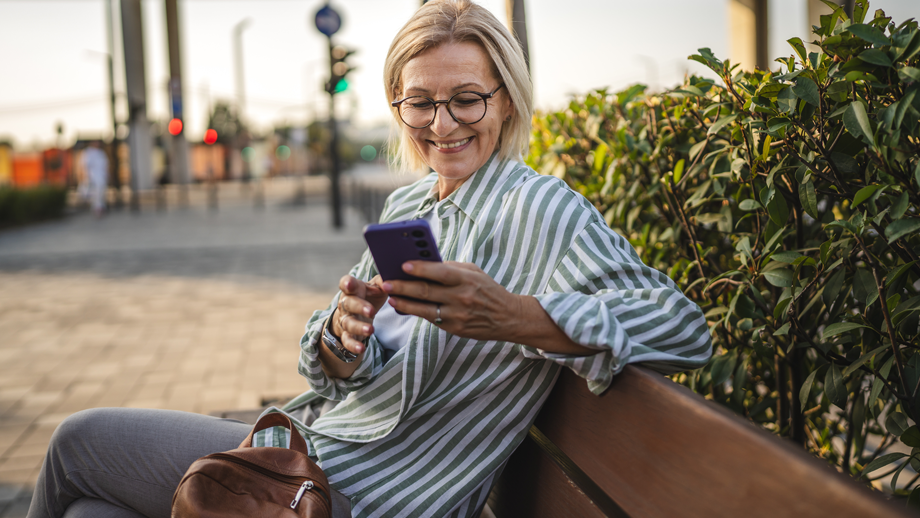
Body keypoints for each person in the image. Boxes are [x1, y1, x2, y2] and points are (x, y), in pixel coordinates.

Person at [27, 1, 711, 517]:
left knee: (76, 441)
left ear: (505, 101)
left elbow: (684, 329)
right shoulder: (410, 204)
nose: (442, 124)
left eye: (466, 98)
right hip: (318, 448)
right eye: (420, 102)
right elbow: (338, 377)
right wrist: (342, 339)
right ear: (397, 105)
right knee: (94, 511)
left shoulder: (541, 209)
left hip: (375, 493)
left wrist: (514, 316)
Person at [81, 140, 109, 217]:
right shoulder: (88, 152)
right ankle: (97, 209)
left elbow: (105, 165)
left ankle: (101, 208)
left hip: (101, 176)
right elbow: (85, 165)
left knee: (101, 193)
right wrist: (86, 176)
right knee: (95, 193)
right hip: (93, 176)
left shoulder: (101, 153)